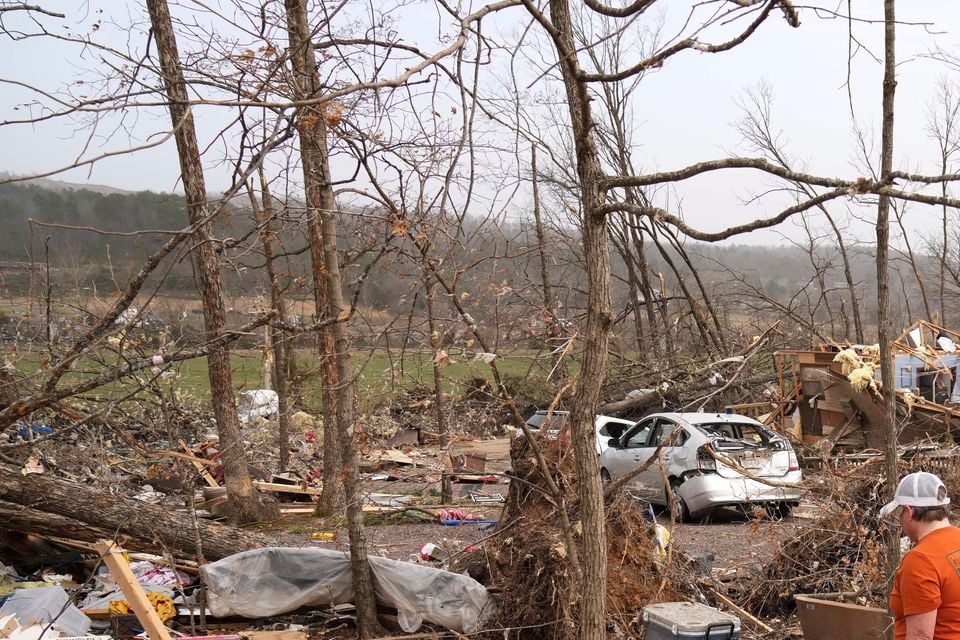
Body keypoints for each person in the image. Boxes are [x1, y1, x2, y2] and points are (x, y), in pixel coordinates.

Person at [882, 471, 960, 640]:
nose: (899, 522)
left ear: (909, 512)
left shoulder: (921, 560)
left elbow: (920, 636)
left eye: (899, 514)